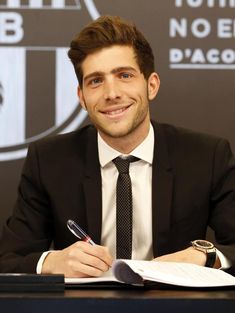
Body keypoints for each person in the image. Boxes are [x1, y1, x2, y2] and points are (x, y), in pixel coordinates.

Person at [0, 15, 235, 277]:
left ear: (151, 85)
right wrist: (51, 262)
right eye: (96, 81)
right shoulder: (48, 160)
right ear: (81, 97)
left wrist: (203, 255)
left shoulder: (206, 156)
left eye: (124, 75)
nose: (111, 93)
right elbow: (8, 259)